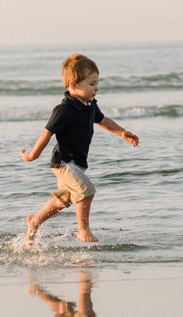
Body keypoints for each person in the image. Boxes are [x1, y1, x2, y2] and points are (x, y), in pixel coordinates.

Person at [21, 53, 139, 244]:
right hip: (64, 162)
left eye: (97, 83)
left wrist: (122, 132)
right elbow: (47, 133)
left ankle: (35, 220)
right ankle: (82, 229)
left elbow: (102, 120)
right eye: (92, 84)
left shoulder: (90, 105)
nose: (96, 88)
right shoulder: (64, 109)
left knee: (64, 199)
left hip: (78, 163)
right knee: (87, 191)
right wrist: (32, 155)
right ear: (74, 85)